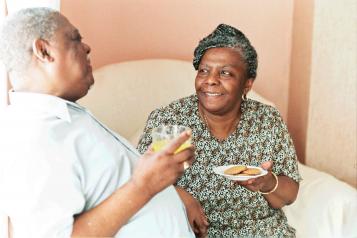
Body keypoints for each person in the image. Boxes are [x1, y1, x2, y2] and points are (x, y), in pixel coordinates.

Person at [0, 8, 195, 238]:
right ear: (43, 51)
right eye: (75, 39)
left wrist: (169, 190)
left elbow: (109, 187)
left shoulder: (66, 116)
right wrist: (145, 186)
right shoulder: (32, 137)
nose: (86, 47)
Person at [137, 23, 301, 237]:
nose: (210, 80)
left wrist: (266, 182)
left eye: (225, 73)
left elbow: (288, 195)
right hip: (190, 233)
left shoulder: (267, 119)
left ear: (247, 84)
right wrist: (182, 196)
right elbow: (141, 183)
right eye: (204, 71)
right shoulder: (171, 119)